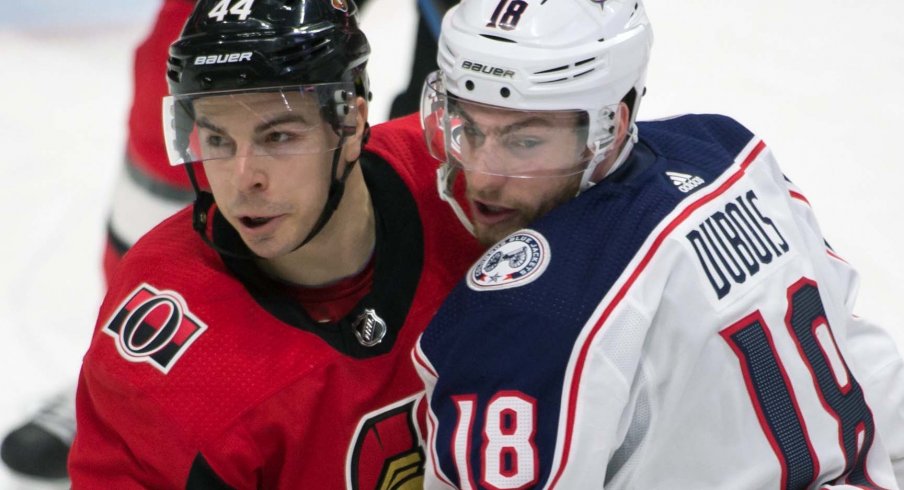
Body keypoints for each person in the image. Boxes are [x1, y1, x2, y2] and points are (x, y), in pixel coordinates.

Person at [413, 0, 904, 488]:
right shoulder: (725, 151)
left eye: (524, 142)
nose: (480, 177)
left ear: (612, 126)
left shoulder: (530, 310)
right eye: (469, 129)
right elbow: (869, 366)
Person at [68, 0, 481, 487]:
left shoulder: (471, 183)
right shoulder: (171, 345)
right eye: (218, 141)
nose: (244, 181)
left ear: (351, 124)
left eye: (279, 136)